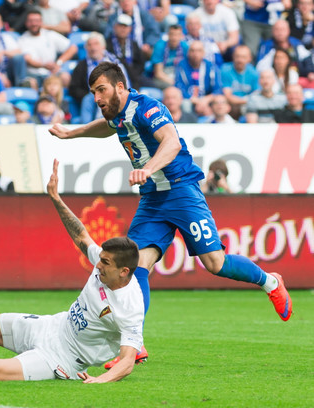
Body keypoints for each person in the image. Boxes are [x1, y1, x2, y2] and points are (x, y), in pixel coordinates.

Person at [48, 62, 293, 365]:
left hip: (181, 191)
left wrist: (147, 169)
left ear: (120, 87)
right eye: (94, 92)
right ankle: (134, 344)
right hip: (152, 198)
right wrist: (72, 133)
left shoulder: (147, 108)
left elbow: (172, 142)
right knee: (135, 267)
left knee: (215, 263)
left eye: (102, 90)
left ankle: (270, 282)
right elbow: (108, 128)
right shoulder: (117, 115)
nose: (97, 98)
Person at [0, 159, 144, 383]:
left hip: (63, 359)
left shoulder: (130, 307)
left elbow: (127, 362)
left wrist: (101, 379)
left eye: (106, 263)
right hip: (52, 326)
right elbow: (81, 236)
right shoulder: (103, 263)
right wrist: (56, 199)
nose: (98, 264)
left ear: (123, 271)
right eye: (101, 259)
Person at [69, 32, 130, 124]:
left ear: (103, 47)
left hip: (114, 93)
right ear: (86, 48)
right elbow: (74, 88)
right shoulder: (81, 66)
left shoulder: (115, 62)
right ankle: (87, 129)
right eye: (89, 45)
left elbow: (126, 83)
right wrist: (94, 93)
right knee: (88, 99)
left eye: (96, 44)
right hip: (90, 96)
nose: (93, 48)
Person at [18, 10, 77, 90]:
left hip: (52, 73)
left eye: (37, 21)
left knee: (65, 77)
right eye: (31, 21)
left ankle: (63, 101)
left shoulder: (49, 34)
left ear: (41, 22)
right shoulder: (22, 39)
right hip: (33, 75)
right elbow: (28, 59)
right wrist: (43, 65)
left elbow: (73, 48)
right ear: (26, 23)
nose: (34, 23)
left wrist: (59, 63)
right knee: (30, 83)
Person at [174, 40, 222, 116]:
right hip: (189, 100)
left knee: (220, 101)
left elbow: (218, 89)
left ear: (203, 53)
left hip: (206, 100)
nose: (195, 54)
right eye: (192, 51)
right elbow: (178, 87)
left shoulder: (211, 67)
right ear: (188, 53)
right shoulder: (181, 66)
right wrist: (195, 100)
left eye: (199, 51)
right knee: (185, 104)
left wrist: (205, 100)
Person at [106, 14, 152, 90]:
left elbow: (141, 63)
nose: (123, 29)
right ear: (115, 27)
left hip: (134, 78)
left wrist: (132, 74)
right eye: (120, 26)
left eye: (126, 26)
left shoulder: (133, 44)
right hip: (114, 78)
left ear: (130, 29)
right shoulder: (107, 44)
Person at [220, 45, 259, 120]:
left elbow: (256, 93)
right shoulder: (225, 70)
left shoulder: (254, 73)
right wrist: (246, 100)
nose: (240, 60)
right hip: (231, 105)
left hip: (248, 106)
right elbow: (228, 96)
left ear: (249, 58)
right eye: (237, 56)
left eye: (243, 57)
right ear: (233, 57)